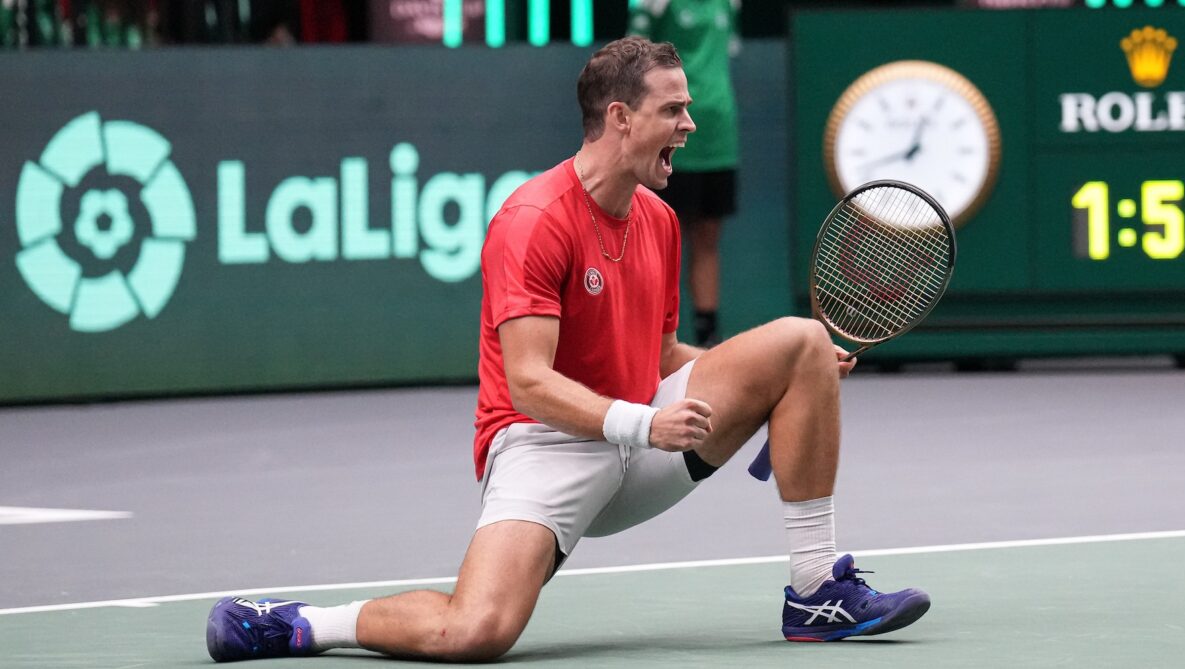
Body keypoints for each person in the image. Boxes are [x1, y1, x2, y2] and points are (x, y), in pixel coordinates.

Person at [204, 36, 930, 663]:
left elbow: (664, 352)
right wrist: (644, 423)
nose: (690, 122)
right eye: (672, 110)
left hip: (636, 436)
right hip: (545, 444)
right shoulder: (533, 220)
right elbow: (529, 384)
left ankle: (814, 592)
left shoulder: (658, 219)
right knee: (477, 630)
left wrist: (786, 379)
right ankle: (298, 622)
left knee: (800, 341)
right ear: (619, 118)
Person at [628, 0, 739, 347]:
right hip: (670, 133)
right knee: (658, 241)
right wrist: (648, 15)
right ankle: (650, 337)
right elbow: (628, 63)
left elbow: (730, 47)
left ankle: (708, 337)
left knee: (708, 239)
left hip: (720, 132)